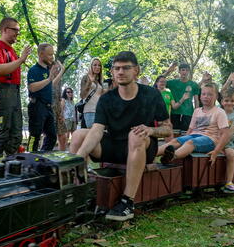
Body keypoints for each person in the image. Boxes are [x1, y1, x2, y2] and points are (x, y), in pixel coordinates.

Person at [70, 51, 171, 221]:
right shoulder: (106, 98)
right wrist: (78, 157)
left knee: (135, 134)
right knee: (79, 134)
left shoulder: (151, 94)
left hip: (143, 147)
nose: (120, 72)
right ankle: (76, 191)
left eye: (126, 68)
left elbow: (168, 128)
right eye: (116, 69)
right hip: (114, 146)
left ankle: (127, 202)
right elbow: (96, 130)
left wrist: (151, 130)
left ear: (136, 70)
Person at [0, 17, 32, 164]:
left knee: (15, 134)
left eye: (19, 30)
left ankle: (11, 170)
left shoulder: (11, 50)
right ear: (5, 30)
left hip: (13, 92)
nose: (18, 33)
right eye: (15, 30)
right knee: (1, 132)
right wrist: (21, 59)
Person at [158, 82, 230, 164]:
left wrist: (216, 151)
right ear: (200, 96)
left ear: (216, 96)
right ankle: (151, 154)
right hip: (194, 136)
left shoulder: (219, 112)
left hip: (210, 139)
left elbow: (226, 134)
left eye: (210, 94)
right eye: (203, 94)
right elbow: (190, 129)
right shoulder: (197, 111)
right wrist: (182, 141)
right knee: (175, 141)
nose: (206, 97)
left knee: (190, 142)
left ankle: (171, 157)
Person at [26, 43, 64, 152]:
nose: (52, 57)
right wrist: (48, 79)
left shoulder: (48, 70)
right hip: (37, 106)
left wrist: (61, 72)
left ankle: (42, 158)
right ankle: (30, 160)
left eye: (52, 55)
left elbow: (51, 84)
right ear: (41, 54)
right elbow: (32, 87)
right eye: (49, 55)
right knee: (35, 136)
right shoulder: (34, 70)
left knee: (52, 136)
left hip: (48, 107)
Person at [165, 63, 200, 132]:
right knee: (175, 133)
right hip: (175, 112)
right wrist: (168, 71)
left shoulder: (194, 84)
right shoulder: (172, 83)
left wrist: (197, 114)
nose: (185, 72)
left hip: (188, 113)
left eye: (187, 70)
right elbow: (159, 81)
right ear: (179, 71)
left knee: (185, 135)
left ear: (189, 72)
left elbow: (196, 100)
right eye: (183, 70)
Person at [219, 89, 234, 193]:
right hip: (216, 138)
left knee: (231, 154)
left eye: (232, 101)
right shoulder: (218, 112)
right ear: (222, 102)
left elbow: (230, 133)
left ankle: (229, 182)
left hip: (229, 141)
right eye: (226, 100)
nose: (229, 103)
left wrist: (221, 145)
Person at [79, 57, 105, 128]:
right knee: (92, 134)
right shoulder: (86, 78)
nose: (97, 67)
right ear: (91, 66)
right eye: (95, 65)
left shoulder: (100, 80)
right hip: (90, 111)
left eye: (99, 65)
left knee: (100, 135)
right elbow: (82, 95)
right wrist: (89, 83)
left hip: (100, 111)